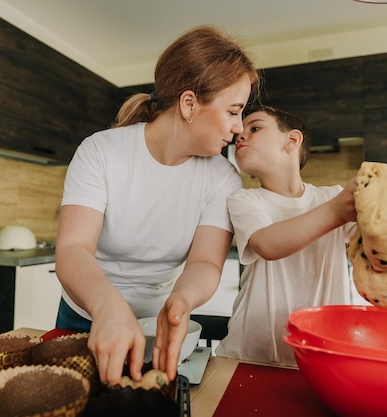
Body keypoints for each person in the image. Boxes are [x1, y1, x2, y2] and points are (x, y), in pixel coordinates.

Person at [54, 25, 260, 385]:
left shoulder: (222, 177)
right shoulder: (101, 151)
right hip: (85, 313)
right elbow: (74, 248)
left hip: (157, 323)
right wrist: (106, 306)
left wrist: (182, 300)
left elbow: (205, 261)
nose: (239, 127)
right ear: (189, 104)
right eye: (233, 111)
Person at [215, 105, 387, 367]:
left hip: (325, 355)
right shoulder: (245, 200)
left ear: (292, 140)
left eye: (254, 128)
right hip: (253, 355)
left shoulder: (330, 196)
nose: (240, 135)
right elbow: (267, 244)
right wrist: (337, 210)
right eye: (240, 132)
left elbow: (378, 245)